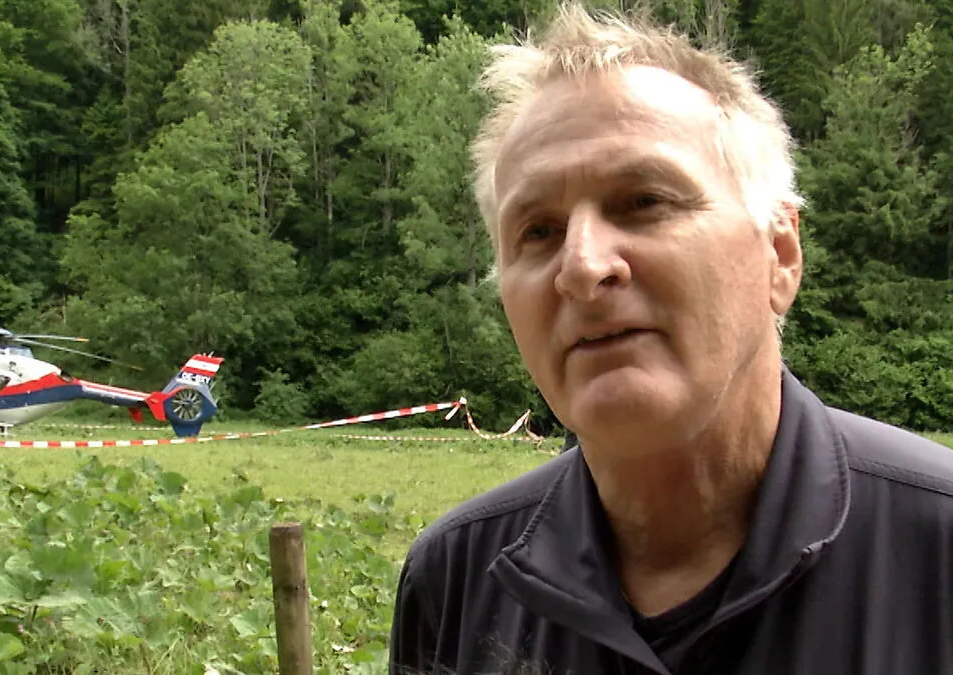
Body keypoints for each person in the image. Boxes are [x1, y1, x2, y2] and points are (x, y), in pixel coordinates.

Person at [388, 3, 953, 674]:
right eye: (538, 231)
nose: (582, 266)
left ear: (779, 255)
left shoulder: (938, 554)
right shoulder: (455, 582)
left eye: (644, 201)